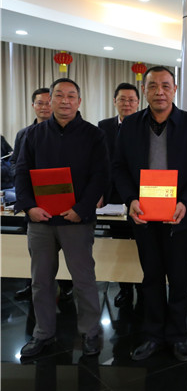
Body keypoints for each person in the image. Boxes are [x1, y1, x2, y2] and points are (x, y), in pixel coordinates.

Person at [114, 66, 187, 362]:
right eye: (153, 86)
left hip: (180, 216)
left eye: (166, 86)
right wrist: (130, 199)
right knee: (151, 277)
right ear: (144, 90)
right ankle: (153, 335)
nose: (160, 91)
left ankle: (178, 336)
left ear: (175, 89)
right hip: (143, 215)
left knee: (180, 279)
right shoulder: (130, 125)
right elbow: (118, 167)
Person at [14, 78, 109, 358]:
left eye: (70, 96)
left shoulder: (94, 135)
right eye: (58, 95)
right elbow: (21, 172)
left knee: (83, 280)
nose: (64, 100)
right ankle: (43, 333)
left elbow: (101, 176)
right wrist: (29, 207)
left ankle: (90, 333)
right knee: (41, 281)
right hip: (40, 221)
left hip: (76, 220)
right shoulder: (33, 134)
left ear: (79, 101)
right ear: (50, 99)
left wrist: (82, 208)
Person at [12, 87, 74, 302]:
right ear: (33, 106)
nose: (45, 107)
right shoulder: (24, 134)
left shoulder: (67, 131)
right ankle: (30, 285)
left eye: (48, 102)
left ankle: (66, 286)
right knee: (37, 252)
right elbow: (16, 165)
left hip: (63, 199)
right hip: (34, 201)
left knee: (66, 247)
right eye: (40, 103)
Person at [97, 82, 140, 308]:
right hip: (113, 194)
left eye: (131, 100)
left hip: (140, 196)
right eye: (122, 99)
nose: (127, 103)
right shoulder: (104, 126)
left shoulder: (146, 125)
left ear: (138, 103)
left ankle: (143, 288)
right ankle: (125, 288)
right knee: (120, 244)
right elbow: (100, 162)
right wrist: (99, 193)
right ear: (114, 101)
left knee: (141, 244)